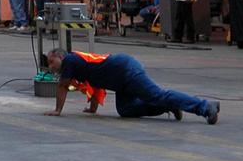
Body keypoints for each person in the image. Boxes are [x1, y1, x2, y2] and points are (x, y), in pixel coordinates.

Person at [43, 48, 219, 124]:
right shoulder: (78, 66)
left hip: (126, 70)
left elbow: (62, 87)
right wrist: (93, 108)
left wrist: (58, 110)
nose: (51, 67)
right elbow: (95, 85)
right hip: (120, 81)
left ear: (61, 56)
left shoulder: (70, 61)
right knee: (125, 110)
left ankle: (204, 107)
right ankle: (169, 106)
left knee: (157, 95)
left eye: (52, 62)